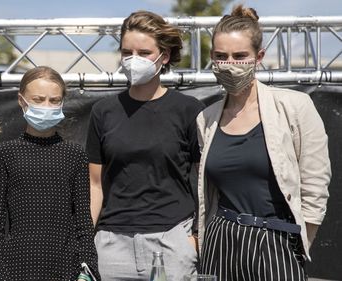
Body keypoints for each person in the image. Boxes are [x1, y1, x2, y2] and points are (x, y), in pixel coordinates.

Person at [196, 5, 331, 281]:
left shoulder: (295, 107)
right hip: (221, 241)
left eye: (240, 56)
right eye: (221, 56)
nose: (230, 64)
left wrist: (299, 242)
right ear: (211, 58)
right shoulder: (206, 118)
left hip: (277, 243)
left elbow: (315, 186)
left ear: (259, 57)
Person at [86, 10, 204, 281]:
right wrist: (87, 242)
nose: (133, 60)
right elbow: (94, 184)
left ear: (164, 56)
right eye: (127, 52)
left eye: (144, 52)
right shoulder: (103, 112)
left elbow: (202, 180)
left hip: (173, 241)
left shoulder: (189, 110)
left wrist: (195, 238)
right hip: (111, 246)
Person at [0, 66, 99, 281]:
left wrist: (88, 268)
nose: (46, 106)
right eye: (38, 99)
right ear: (22, 101)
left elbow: (83, 221)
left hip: (65, 267)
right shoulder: (5, 153)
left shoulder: (74, 155)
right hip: (16, 267)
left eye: (54, 100)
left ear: (62, 102)